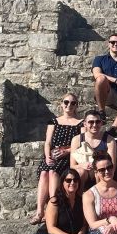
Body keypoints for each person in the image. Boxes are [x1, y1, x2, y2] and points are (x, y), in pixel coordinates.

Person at [31, 93, 83, 224]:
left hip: (68, 157)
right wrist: (48, 156)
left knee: (53, 173)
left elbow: (82, 144)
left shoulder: (80, 123)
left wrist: (66, 151)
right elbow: (48, 142)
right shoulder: (53, 121)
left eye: (72, 103)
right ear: (61, 104)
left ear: (76, 105)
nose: (69, 105)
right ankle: (39, 211)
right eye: (66, 102)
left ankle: (51, 207)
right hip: (53, 155)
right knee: (44, 173)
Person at [69, 109, 117, 186]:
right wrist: (82, 165)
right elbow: (72, 166)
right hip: (84, 172)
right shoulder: (77, 139)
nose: (94, 125)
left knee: (100, 170)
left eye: (97, 122)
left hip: (102, 172)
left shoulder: (109, 140)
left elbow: (112, 165)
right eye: (91, 122)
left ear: (101, 123)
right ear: (85, 124)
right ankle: (79, 196)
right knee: (81, 171)